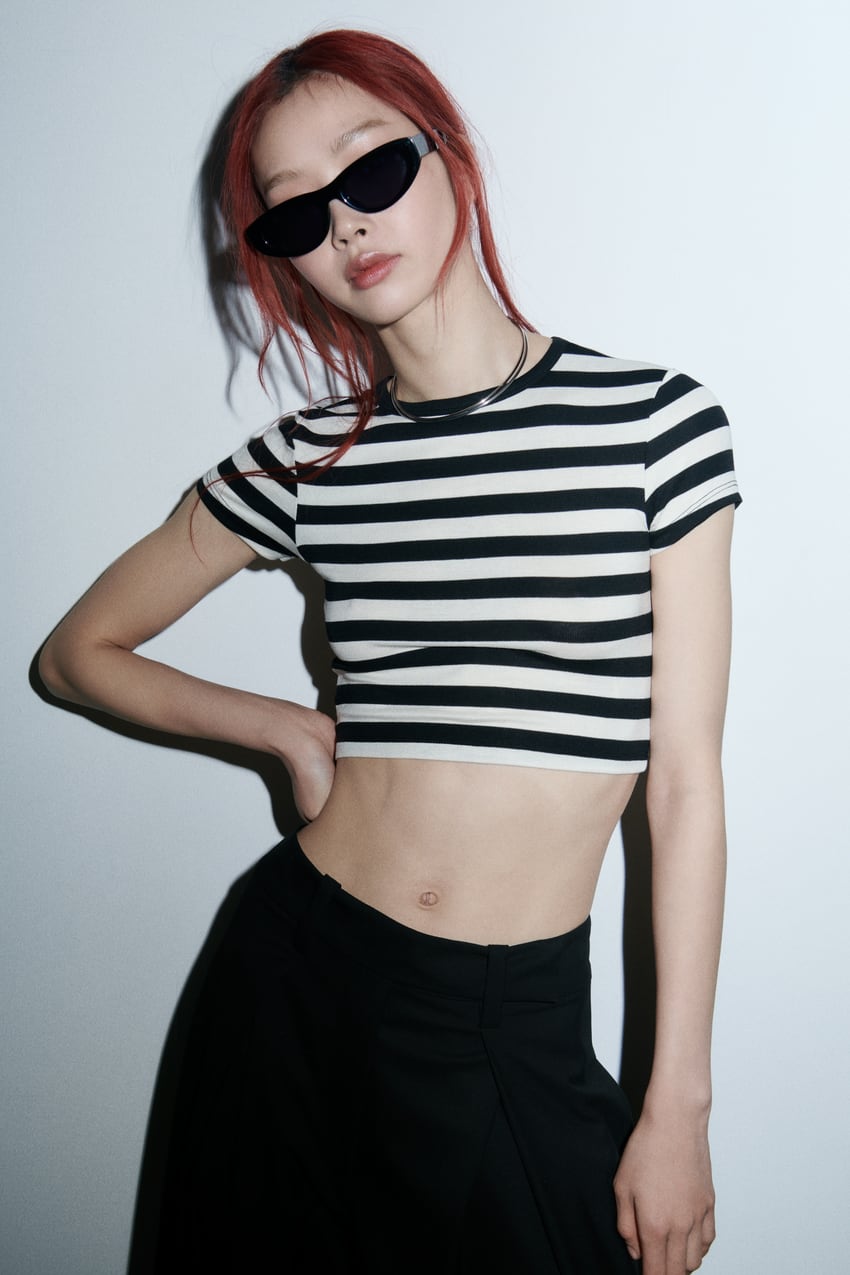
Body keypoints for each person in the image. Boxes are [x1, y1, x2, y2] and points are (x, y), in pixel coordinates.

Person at [39, 28, 741, 1275]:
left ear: (448, 157)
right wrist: (283, 729)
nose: (347, 224)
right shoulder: (307, 463)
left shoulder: (651, 426)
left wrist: (675, 1103)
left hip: (511, 1011)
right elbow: (76, 653)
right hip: (295, 980)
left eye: (370, 170)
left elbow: (682, 786)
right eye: (296, 212)